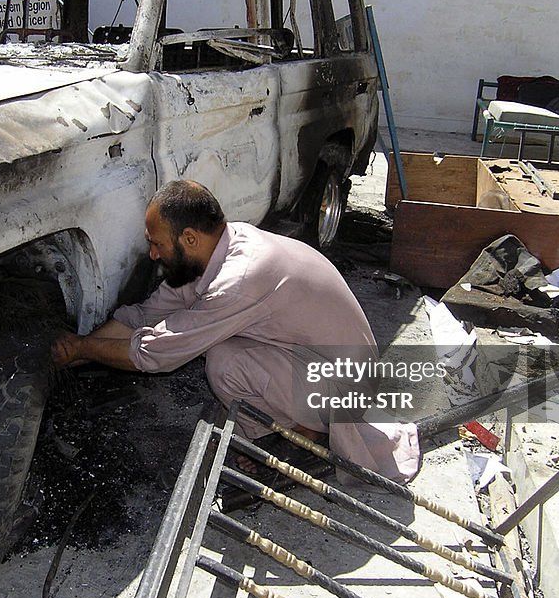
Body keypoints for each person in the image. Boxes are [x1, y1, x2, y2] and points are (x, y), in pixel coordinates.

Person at [52, 180, 420, 483]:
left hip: (345, 390)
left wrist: (81, 349)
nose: (152, 253)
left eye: (157, 243)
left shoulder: (240, 277)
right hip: (324, 366)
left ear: (190, 238)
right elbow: (144, 315)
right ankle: (299, 428)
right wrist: (80, 348)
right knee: (226, 346)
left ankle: (290, 438)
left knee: (225, 362)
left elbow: (155, 354)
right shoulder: (224, 245)